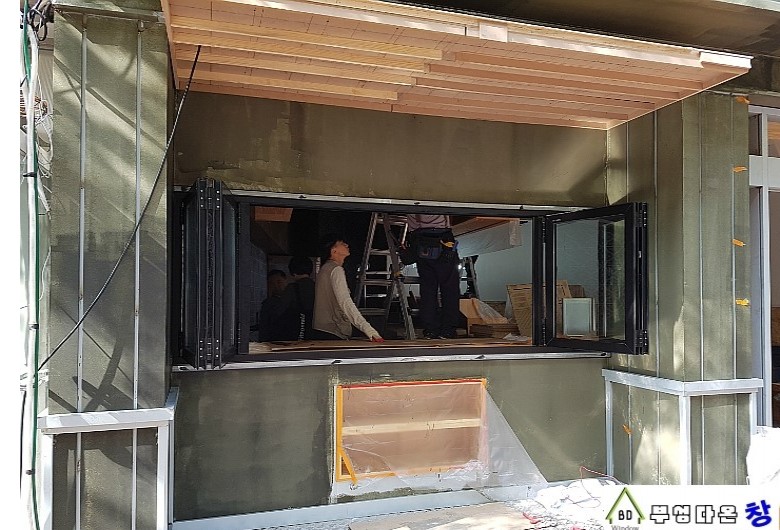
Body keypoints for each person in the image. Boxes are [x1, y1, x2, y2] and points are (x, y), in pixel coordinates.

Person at [313, 235, 384, 342]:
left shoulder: (325, 268)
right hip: (333, 330)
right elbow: (345, 302)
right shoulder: (336, 270)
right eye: (342, 244)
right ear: (334, 251)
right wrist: (369, 330)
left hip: (323, 328)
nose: (346, 245)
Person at [406, 214, 460, 339]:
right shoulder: (436, 201)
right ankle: (448, 329)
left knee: (428, 288)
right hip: (442, 236)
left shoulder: (410, 202)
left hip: (419, 238)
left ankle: (430, 329)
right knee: (449, 287)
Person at [272, 256, 316, 340]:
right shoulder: (317, 287)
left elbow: (279, 310)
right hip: (315, 331)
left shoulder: (292, 288)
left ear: (293, 272)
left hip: (295, 332)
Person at [258, 269, 287, 341]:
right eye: (271, 283)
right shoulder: (268, 303)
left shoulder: (291, 300)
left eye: (279, 282)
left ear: (285, 281)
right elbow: (264, 329)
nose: (276, 286)